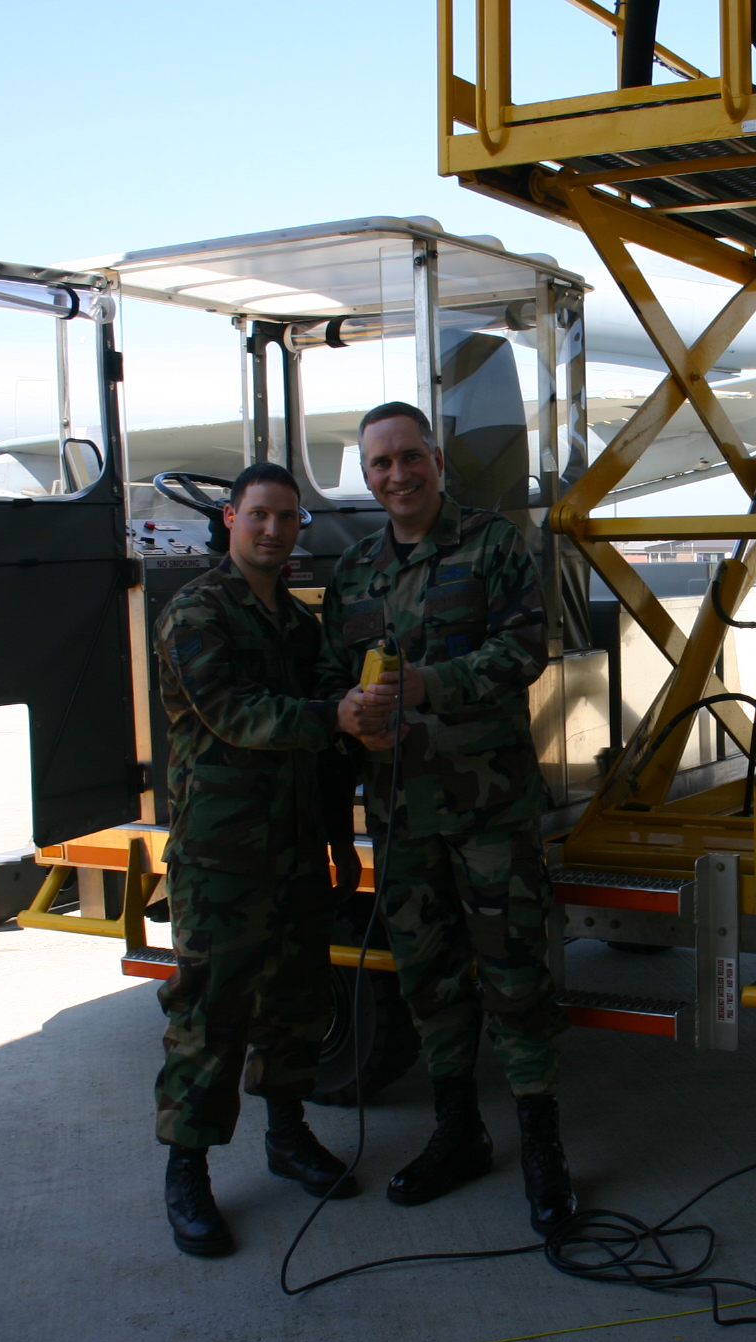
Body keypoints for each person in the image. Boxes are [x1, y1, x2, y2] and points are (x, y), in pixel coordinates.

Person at [318, 400, 576, 1236]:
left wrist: (431, 685)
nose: (397, 475)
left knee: (516, 980)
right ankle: (457, 1130)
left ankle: (542, 1146)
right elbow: (333, 681)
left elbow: (524, 650)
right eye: (380, 464)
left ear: (436, 459)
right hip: (400, 817)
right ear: (368, 476)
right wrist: (346, 711)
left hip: (489, 812)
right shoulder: (354, 573)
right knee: (429, 982)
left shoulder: (494, 544)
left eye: (409, 457)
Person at [152, 461, 361, 1258]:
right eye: (260, 515)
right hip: (223, 857)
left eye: (288, 518)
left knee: (297, 1003)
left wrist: (338, 834)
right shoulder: (197, 613)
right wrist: (333, 714)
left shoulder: (300, 627)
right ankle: (188, 1170)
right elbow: (238, 715)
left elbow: (324, 753)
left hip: (298, 848)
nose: (274, 530)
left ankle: (286, 1135)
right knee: (212, 1015)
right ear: (231, 518)